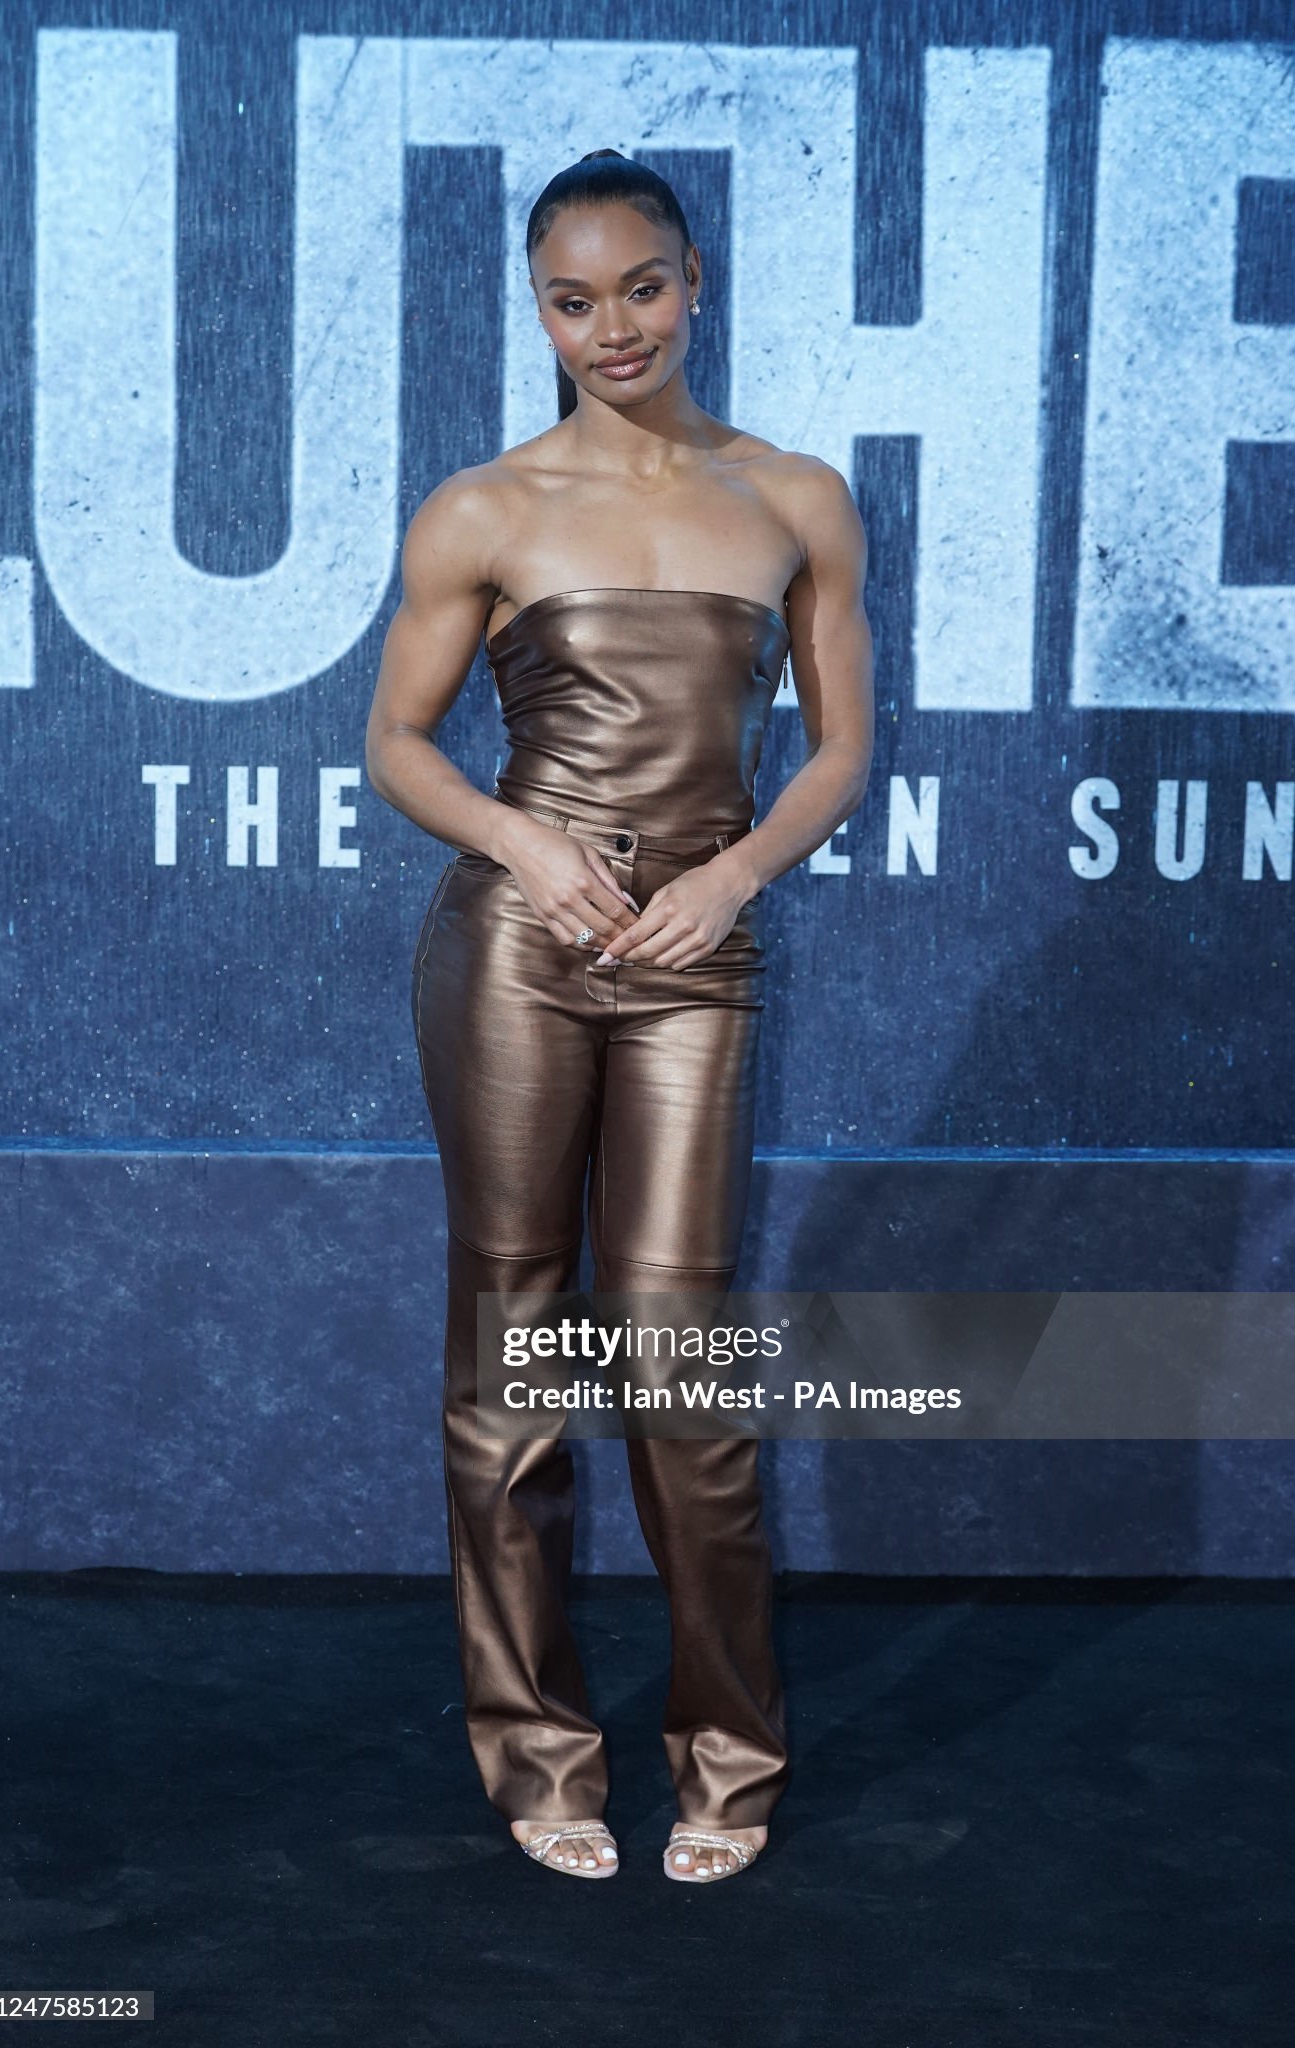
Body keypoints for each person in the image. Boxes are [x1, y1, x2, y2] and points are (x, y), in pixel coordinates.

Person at [365, 149, 874, 1884]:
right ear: (539, 312)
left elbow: (842, 751)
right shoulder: (482, 507)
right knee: (512, 1347)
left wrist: (731, 879)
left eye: (640, 287)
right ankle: (539, 1758)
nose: (612, 328)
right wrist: (521, 841)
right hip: (515, 947)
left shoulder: (793, 496)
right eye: (571, 301)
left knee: (679, 1362)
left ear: (693, 280)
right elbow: (397, 742)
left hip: (693, 958)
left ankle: (729, 1760)